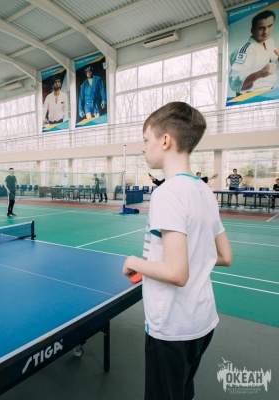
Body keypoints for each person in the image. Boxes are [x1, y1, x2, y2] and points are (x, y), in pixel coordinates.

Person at [122, 102, 233, 400]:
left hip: (172, 326)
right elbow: (225, 256)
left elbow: (176, 273)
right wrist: (192, 255)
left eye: (146, 139)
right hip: (202, 322)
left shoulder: (167, 193)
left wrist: (135, 262)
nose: (143, 147)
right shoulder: (204, 191)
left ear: (165, 140)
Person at [229, 10, 279, 95]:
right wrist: (260, 74)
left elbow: (273, 65)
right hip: (251, 96)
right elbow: (234, 82)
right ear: (252, 30)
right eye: (261, 28)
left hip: (269, 91)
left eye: (269, 26)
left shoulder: (269, 42)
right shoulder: (246, 50)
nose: (266, 32)